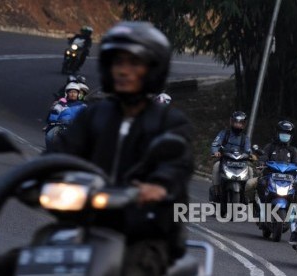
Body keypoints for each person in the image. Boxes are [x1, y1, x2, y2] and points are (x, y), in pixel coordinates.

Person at [52, 21, 193, 275]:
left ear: (153, 69)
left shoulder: (169, 121)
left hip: (145, 233)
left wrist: (159, 185)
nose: (124, 71)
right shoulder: (93, 116)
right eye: (118, 62)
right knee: (24, 261)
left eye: (134, 63)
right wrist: (38, 174)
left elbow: (177, 163)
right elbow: (60, 153)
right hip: (86, 223)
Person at [245, 120, 297, 212]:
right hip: (269, 177)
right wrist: (261, 163)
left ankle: (295, 210)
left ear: (291, 136)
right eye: (283, 133)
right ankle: (255, 205)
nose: (285, 136)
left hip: (288, 180)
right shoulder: (270, 147)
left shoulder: (293, 150)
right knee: (250, 184)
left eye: (288, 134)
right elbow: (263, 157)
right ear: (277, 133)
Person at [209, 111, 252, 203]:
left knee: (250, 170)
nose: (238, 125)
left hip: (241, 163)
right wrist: (215, 152)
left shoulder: (245, 138)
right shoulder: (224, 133)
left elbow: (248, 150)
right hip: (225, 161)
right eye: (236, 122)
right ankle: (216, 193)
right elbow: (215, 144)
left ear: (244, 124)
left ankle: (247, 194)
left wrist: (251, 156)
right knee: (216, 167)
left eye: (240, 123)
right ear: (232, 122)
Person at [45, 82, 87, 151]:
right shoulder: (60, 104)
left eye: (75, 92)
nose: (73, 94)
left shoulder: (83, 106)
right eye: (71, 92)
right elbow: (53, 116)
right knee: (49, 136)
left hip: (75, 128)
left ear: (78, 94)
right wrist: (54, 122)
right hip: (60, 126)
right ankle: (49, 151)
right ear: (67, 94)